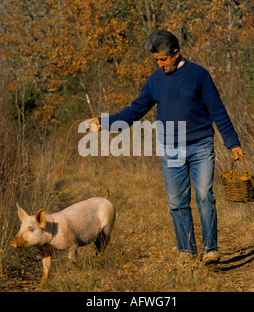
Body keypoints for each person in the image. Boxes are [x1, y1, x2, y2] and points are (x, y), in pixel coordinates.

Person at [86, 30, 243, 264]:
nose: (160, 64)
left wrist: (233, 143)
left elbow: (217, 110)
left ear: (176, 53)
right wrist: (105, 122)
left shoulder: (199, 75)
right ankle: (187, 254)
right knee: (177, 203)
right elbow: (134, 112)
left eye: (163, 59)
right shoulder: (154, 81)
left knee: (204, 197)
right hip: (171, 149)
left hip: (201, 146)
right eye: (156, 60)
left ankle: (211, 250)